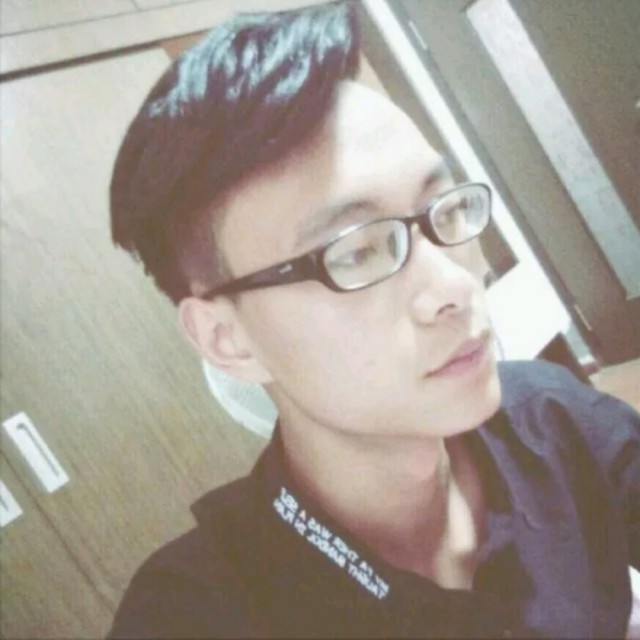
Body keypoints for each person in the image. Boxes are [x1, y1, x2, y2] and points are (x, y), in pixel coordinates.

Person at [107, 2, 640, 637]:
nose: (454, 286)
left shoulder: (552, 418)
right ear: (229, 339)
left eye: (443, 208)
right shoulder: (195, 616)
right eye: (357, 253)